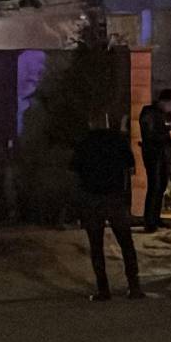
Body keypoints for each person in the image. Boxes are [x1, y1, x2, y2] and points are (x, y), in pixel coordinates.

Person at [71, 106, 144, 301]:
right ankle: (134, 286)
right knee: (125, 242)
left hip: (92, 198)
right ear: (106, 122)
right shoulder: (117, 140)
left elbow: (75, 171)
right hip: (115, 197)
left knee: (96, 245)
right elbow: (130, 165)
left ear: (90, 123)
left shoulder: (84, 143)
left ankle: (103, 289)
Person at [139, 89, 171, 233]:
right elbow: (150, 134)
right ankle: (149, 221)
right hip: (153, 154)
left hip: (165, 154)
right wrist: (167, 135)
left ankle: (156, 218)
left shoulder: (167, 115)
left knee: (162, 186)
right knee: (155, 185)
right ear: (163, 102)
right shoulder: (149, 113)